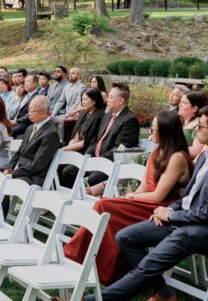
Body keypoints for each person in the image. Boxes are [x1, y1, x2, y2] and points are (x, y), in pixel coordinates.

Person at [52, 106, 208, 301]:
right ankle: (163, 293)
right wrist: (168, 209)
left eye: (200, 126)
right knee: (125, 237)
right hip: (182, 219)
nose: (196, 130)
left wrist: (171, 216)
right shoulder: (203, 157)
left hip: (204, 230)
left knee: (149, 264)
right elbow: (187, 198)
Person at [64, 109, 192, 285]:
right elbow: (144, 186)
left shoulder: (177, 157)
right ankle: (89, 260)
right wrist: (134, 195)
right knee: (106, 208)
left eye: (153, 129)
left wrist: (131, 198)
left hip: (160, 208)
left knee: (104, 206)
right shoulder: (157, 152)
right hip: (144, 201)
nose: (150, 134)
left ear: (165, 131)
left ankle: (76, 255)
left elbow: (158, 196)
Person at [60, 83, 137, 188]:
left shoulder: (129, 120)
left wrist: (98, 160)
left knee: (91, 180)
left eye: (110, 97)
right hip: (95, 158)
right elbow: (96, 140)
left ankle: (84, 200)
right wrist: (88, 156)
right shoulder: (108, 115)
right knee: (67, 171)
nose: (107, 99)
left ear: (121, 101)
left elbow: (121, 149)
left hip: (110, 163)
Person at [5, 96, 59, 187]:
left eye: (32, 111)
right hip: (20, 170)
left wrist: (13, 173)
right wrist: (9, 168)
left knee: (4, 183)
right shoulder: (30, 128)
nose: (29, 114)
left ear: (44, 112)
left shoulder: (51, 133)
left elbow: (37, 164)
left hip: (34, 176)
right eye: (29, 110)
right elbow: (19, 152)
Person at [62, 89, 105, 154]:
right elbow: (75, 137)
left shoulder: (100, 117)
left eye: (85, 99)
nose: (82, 102)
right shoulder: (83, 113)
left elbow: (87, 141)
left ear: (94, 101)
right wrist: (68, 148)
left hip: (88, 150)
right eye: (82, 99)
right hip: (76, 146)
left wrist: (65, 149)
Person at [178, 91, 207, 159]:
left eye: (184, 103)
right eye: (180, 102)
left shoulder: (199, 124)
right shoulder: (180, 121)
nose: (180, 105)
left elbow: (195, 151)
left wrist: (172, 148)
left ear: (194, 108)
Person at [11, 73, 41, 137]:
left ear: (35, 84)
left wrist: (16, 121)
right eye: (25, 82)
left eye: (28, 82)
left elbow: (29, 114)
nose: (25, 84)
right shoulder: (26, 95)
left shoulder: (37, 96)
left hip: (26, 123)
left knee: (9, 131)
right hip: (17, 120)